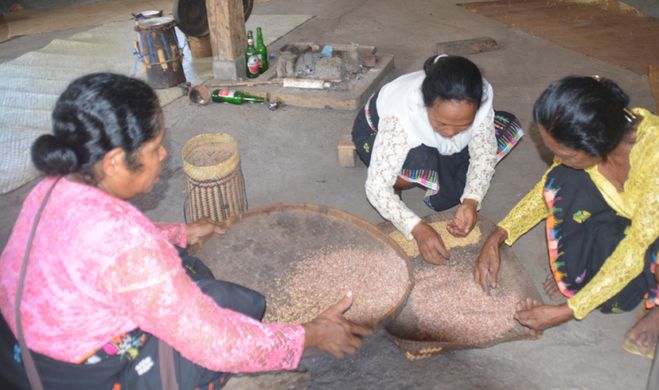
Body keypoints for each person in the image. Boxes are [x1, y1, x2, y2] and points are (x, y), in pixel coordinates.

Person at [0, 73, 371, 389]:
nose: (164, 156)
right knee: (233, 308)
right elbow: (217, 342)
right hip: (76, 376)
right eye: (156, 147)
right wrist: (308, 335)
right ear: (114, 162)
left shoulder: (53, 186)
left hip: (18, 351)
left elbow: (93, 249)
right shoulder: (129, 246)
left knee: (201, 282)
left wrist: (181, 232)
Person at [473, 75, 659, 358]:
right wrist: (497, 237)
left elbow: (639, 243)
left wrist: (567, 312)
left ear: (595, 144)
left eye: (564, 153)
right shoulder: (595, 138)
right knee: (563, 179)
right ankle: (591, 276)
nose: (555, 157)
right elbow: (545, 188)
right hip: (624, 217)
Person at [352, 54, 523, 265]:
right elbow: (376, 187)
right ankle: (399, 186)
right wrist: (417, 227)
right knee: (415, 163)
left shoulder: (479, 100)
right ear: (426, 106)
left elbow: (484, 153)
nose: (451, 133)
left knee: (504, 129)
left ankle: (441, 160)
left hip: (429, 140)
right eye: (442, 124)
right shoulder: (403, 117)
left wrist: (471, 200)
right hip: (372, 133)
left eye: (462, 125)